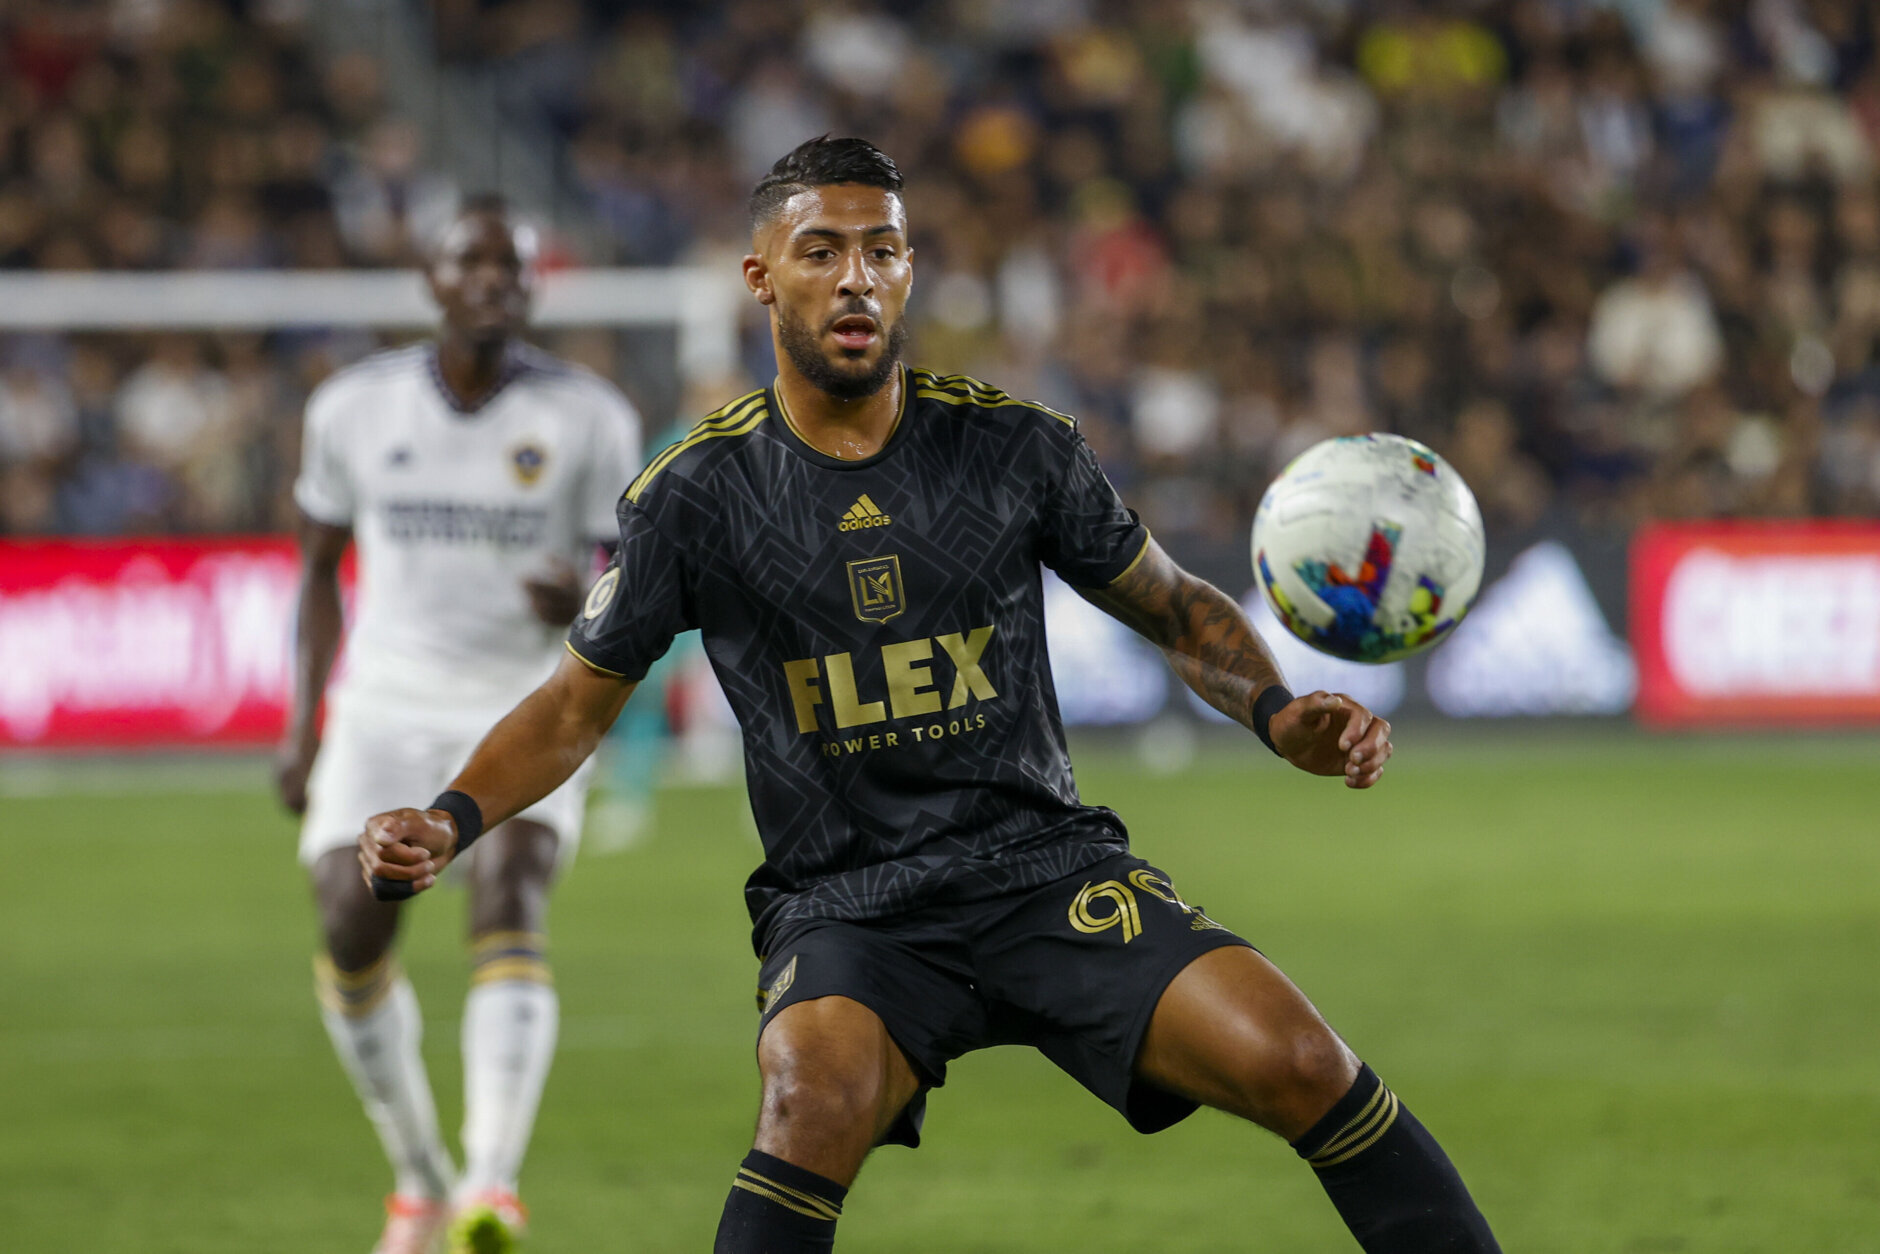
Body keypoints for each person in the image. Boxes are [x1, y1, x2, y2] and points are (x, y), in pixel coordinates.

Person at [359, 139, 1499, 1253]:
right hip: (849, 906)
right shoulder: (696, 495)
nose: (854, 277)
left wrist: (1278, 713)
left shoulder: (1013, 448)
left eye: (882, 251)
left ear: (910, 270)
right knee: (808, 1100)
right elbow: (572, 708)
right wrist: (450, 817)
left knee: (1302, 1062)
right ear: (762, 277)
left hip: (1042, 871)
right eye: (820, 251)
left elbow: (1173, 606)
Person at [277, 194, 642, 1254]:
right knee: (350, 922)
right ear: (430, 280)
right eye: (470, 262)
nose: (492, 281)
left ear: (532, 286)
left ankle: (490, 1185)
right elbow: (316, 570)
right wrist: (304, 727)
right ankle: (420, 1178)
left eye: (511, 266)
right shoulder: (353, 407)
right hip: (384, 706)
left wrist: (581, 601)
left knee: (507, 893)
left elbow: (626, 581)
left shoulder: (590, 416)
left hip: (522, 706)